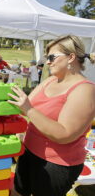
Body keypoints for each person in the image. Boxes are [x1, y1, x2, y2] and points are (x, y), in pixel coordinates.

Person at [8, 35, 95, 196]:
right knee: (17, 192)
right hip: (28, 152)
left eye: (52, 57)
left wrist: (29, 109)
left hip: (56, 164)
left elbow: (64, 134)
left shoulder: (85, 89)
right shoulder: (50, 80)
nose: (47, 62)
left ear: (71, 57)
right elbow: (24, 106)